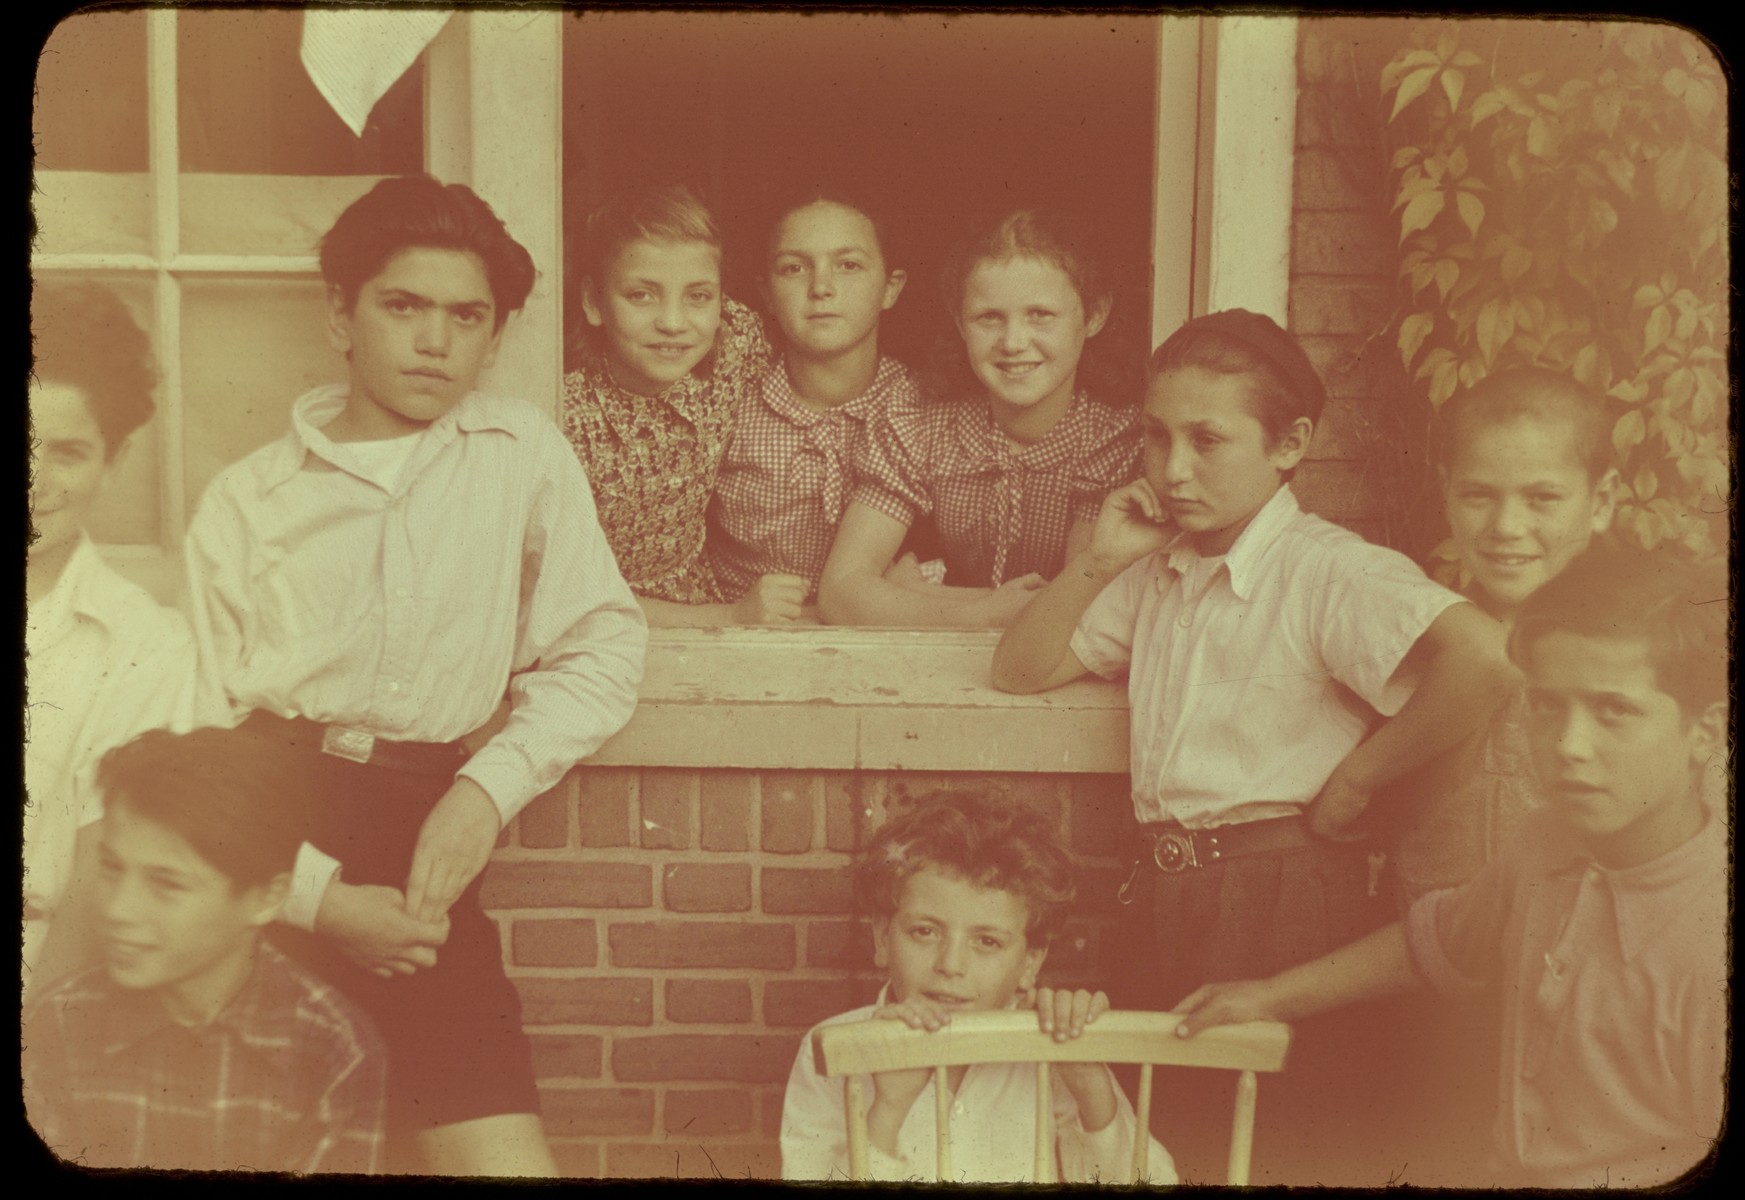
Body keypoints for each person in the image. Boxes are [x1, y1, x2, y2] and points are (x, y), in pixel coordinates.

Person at [182, 174, 647, 1176]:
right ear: (341, 318)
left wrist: (485, 789)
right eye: (403, 307)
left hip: (428, 834)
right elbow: (195, 729)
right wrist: (316, 900)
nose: (434, 342)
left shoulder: (517, 454)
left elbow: (602, 645)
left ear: (493, 336)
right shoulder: (250, 500)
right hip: (266, 845)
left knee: (502, 1163)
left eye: (464, 317)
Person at [990, 309, 1515, 1184]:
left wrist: (1356, 783)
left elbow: (1482, 659)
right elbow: (1020, 668)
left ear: (1289, 444)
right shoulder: (1160, 568)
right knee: (1168, 1149)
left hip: (1286, 897)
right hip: (1166, 895)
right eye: (1155, 439)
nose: (1173, 469)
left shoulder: (1325, 569)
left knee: (1270, 1145)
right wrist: (1097, 557)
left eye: (1207, 440)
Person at [1174, 547, 1728, 1190]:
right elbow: (1436, 941)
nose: (1570, 746)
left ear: (1705, 735)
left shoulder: (1711, 938)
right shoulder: (1545, 843)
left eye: (1614, 711)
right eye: (1548, 705)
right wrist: (1269, 996)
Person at [23, 727, 389, 1174]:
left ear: (265, 898)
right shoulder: (58, 1023)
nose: (118, 908)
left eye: (166, 884)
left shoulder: (334, 1051)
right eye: (113, 868)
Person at [780, 791, 1174, 1183]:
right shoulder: (831, 1049)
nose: (950, 965)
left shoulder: (1053, 1047)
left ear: (1030, 962)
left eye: (987, 942)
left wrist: (1089, 1084)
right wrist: (887, 1111)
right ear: (883, 938)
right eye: (924, 932)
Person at [817, 208, 1140, 628]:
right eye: (989, 317)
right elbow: (840, 593)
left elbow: (1077, 609)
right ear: (959, 322)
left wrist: (924, 593)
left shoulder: (1114, 437)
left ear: (1094, 315)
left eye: (1040, 315)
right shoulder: (921, 420)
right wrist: (982, 611)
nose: (1013, 342)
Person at [25, 279, 198, 993]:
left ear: (114, 462)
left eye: (67, 452)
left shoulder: (142, 645)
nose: (34, 480)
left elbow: (103, 880)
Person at [560, 183, 799, 626]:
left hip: (703, 595)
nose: (673, 323)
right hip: (604, 625)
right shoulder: (567, 416)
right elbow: (562, 596)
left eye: (698, 296)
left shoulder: (733, 340)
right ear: (594, 302)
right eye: (641, 295)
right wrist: (729, 616)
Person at [706, 184, 919, 607]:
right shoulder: (729, 400)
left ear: (891, 288)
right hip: (741, 634)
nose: (821, 286)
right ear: (765, 292)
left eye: (849, 265)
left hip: (881, 633)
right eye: (794, 268)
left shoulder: (919, 406)